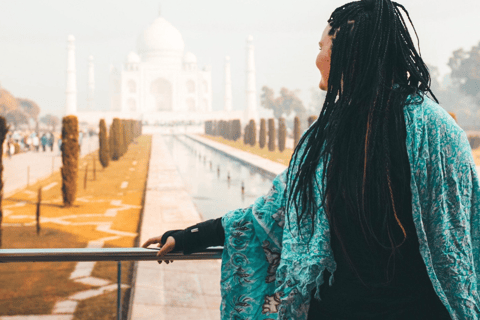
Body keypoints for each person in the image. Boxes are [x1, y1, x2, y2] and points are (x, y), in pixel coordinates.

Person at [142, 0, 480, 318]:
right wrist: (193, 236)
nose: (317, 57)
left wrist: (195, 236)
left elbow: (465, 228)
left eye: (322, 47)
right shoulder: (348, 133)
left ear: (349, 54)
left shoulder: (413, 134)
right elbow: (275, 212)